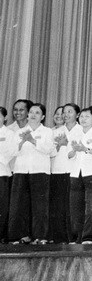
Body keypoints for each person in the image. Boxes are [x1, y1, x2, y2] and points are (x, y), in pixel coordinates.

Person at [8, 104, 53, 244]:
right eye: (31, 112)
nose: (33, 115)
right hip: (21, 171)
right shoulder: (19, 132)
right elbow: (11, 152)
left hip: (40, 171)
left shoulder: (47, 131)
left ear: (43, 117)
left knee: (40, 206)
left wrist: (33, 140)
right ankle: (21, 236)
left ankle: (40, 236)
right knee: (19, 205)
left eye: (37, 113)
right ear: (28, 115)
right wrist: (22, 141)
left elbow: (49, 150)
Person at [67, 107, 92, 244]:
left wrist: (84, 149)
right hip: (76, 174)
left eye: (87, 117)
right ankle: (77, 237)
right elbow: (69, 155)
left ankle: (89, 237)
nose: (83, 119)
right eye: (82, 116)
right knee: (76, 209)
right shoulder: (75, 133)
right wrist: (74, 150)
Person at [49, 103, 79, 244]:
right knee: (59, 206)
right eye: (64, 112)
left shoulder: (81, 130)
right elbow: (50, 152)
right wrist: (59, 145)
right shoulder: (56, 131)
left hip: (75, 172)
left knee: (73, 206)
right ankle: (59, 237)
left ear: (77, 115)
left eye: (69, 111)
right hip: (58, 170)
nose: (65, 114)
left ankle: (74, 236)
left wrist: (69, 148)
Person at [0, 107, 15, 242]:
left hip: (2, 173)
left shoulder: (9, 134)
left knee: (2, 206)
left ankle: (1, 235)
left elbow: (11, 152)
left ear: (4, 118)